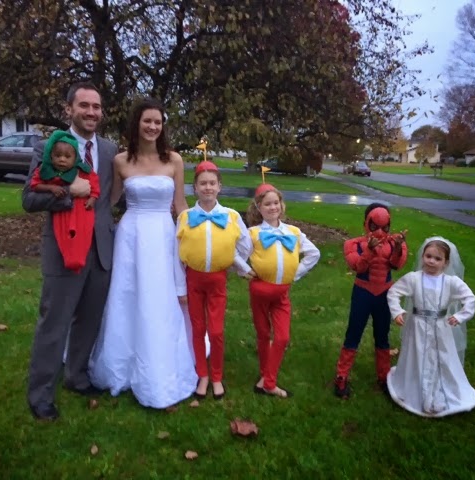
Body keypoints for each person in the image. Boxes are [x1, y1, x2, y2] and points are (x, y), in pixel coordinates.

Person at [88, 97, 197, 409]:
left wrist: (196, 235)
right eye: (147, 121)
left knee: (159, 296)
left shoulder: (174, 160)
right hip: (131, 236)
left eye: (157, 122)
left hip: (163, 235)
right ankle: (121, 365)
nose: (152, 126)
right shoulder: (121, 161)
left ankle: (161, 363)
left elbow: (180, 205)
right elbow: (110, 201)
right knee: (128, 294)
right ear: (136, 124)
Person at [23, 82, 118, 421]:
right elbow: (29, 199)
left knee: (89, 320)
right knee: (55, 323)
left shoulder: (109, 149)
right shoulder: (48, 147)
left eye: (96, 106)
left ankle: (77, 376)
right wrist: (69, 193)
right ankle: (40, 395)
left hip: (101, 249)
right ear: (69, 109)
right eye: (84, 105)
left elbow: (111, 195)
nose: (91, 112)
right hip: (64, 248)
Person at [176, 161, 251, 400]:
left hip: (218, 281)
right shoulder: (185, 217)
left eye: (212, 183)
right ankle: (203, 375)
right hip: (193, 281)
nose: (207, 187)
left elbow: (245, 245)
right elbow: (176, 253)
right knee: (198, 329)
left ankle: (217, 376)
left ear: (220, 186)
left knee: (216, 331)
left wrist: (234, 263)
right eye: (203, 183)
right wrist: (180, 287)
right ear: (195, 188)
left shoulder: (231, 216)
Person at [386, 236, 475, 418]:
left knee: (441, 355)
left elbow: (469, 298)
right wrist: (397, 311)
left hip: (441, 328)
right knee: (418, 353)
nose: (431, 261)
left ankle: (440, 388)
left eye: (437, 258)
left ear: (446, 263)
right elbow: (394, 292)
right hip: (417, 327)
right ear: (422, 257)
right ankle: (416, 387)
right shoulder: (413, 279)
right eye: (428, 256)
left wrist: (460, 315)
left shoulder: (451, 282)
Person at [243, 183, 320, 398]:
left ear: (281, 205)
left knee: (282, 337)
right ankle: (266, 378)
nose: (272, 207)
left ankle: (267, 382)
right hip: (260, 291)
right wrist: (245, 270)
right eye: (267, 204)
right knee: (263, 333)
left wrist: (294, 273)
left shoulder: (293, 232)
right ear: (259, 208)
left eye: (275, 203)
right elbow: (236, 254)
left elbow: (314, 254)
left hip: (281, 294)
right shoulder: (253, 233)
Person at [333, 203, 407, 399]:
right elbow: (358, 266)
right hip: (363, 293)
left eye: (385, 227)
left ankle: (384, 377)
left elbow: (396, 265)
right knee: (354, 333)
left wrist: (397, 248)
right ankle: (341, 376)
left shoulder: (394, 242)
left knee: (382, 336)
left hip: (384, 294)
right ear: (366, 223)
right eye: (375, 226)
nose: (380, 232)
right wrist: (370, 250)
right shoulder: (354, 244)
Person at [30, 130, 100, 273]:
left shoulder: (85, 168)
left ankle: (78, 259)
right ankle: (71, 259)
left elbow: (95, 184)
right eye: (58, 156)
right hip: (61, 215)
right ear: (51, 155)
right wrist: (54, 188)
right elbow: (32, 191)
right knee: (65, 237)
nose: (62, 160)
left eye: (67, 157)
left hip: (85, 215)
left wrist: (93, 197)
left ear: (75, 157)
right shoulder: (46, 169)